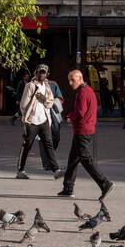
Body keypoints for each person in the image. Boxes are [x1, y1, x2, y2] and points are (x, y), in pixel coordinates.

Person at [57, 70, 112, 200]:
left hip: (83, 131)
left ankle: (105, 184)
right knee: (73, 160)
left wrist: (70, 117)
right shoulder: (88, 91)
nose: (70, 83)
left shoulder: (83, 93)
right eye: (69, 80)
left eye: (73, 80)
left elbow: (80, 112)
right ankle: (68, 188)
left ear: (80, 79)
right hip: (84, 130)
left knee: (86, 160)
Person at [15, 65, 60, 179]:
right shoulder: (30, 86)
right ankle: (21, 170)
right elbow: (23, 104)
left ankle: (56, 170)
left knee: (48, 144)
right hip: (32, 121)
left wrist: (44, 99)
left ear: (47, 74)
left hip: (44, 120)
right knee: (27, 145)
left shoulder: (47, 86)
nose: (41, 74)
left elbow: (50, 103)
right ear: (36, 73)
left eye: (44, 72)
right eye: (40, 72)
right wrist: (26, 119)